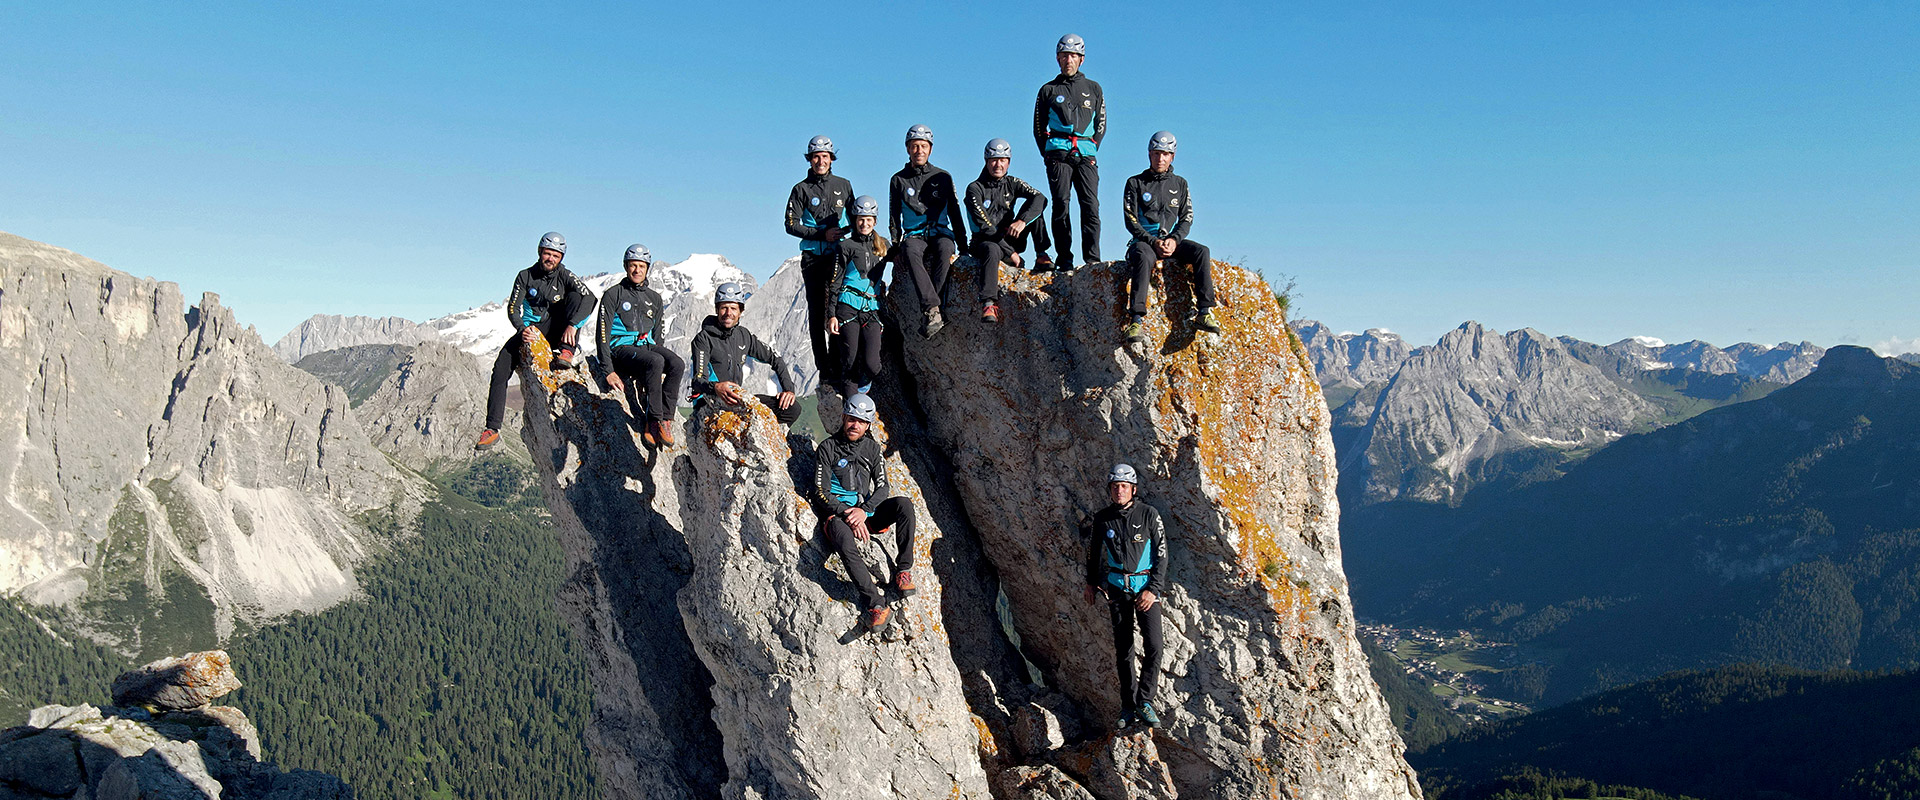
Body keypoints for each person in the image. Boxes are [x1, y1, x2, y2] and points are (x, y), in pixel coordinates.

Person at [478, 231, 596, 451]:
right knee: (501, 367)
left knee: (575, 297)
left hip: (559, 329)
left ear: (561, 258)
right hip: (532, 331)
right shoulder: (525, 276)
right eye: (547, 253)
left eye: (555, 255)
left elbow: (590, 297)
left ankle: (567, 351)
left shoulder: (566, 275)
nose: (550, 259)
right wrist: (522, 329)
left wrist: (573, 325)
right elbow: (513, 307)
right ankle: (492, 428)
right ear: (540, 252)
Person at [814, 393, 917, 629]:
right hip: (837, 515)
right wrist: (848, 514)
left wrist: (864, 510)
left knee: (904, 505)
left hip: (866, 513)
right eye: (851, 419)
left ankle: (903, 571)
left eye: (861, 421)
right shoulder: (827, 448)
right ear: (843, 417)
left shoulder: (872, 449)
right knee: (842, 537)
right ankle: (876, 604)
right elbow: (820, 491)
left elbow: (883, 487)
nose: (855, 425)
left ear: (868, 425)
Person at [1082, 463, 1167, 728]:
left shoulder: (1149, 514)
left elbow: (1162, 554)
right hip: (1118, 588)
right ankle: (1127, 706)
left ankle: (1145, 701)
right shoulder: (1103, 518)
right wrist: (1091, 584)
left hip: (1145, 589)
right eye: (1115, 487)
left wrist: (1153, 590)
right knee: (1124, 650)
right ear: (1110, 490)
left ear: (1133, 489)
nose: (1119, 491)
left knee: (1155, 646)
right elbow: (1094, 553)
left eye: (1124, 487)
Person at [1121, 131, 1220, 343]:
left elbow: (1187, 218)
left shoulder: (1180, 184)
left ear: (1172, 156)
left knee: (1202, 251)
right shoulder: (1135, 183)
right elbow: (1130, 220)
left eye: (1165, 154)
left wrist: (1174, 240)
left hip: (1171, 241)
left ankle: (1205, 312)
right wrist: (1152, 241)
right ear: (1149, 154)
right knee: (1142, 256)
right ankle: (1136, 320)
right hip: (1144, 242)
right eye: (1156, 153)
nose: (1160, 158)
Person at [595, 244, 684, 448]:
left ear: (647, 268)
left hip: (645, 347)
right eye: (633, 266)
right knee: (655, 360)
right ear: (626, 267)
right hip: (621, 349)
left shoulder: (654, 298)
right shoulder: (613, 294)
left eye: (641, 266)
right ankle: (652, 420)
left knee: (677, 364)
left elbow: (658, 335)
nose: (637, 270)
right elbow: (602, 333)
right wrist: (608, 370)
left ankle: (666, 420)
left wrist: (653, 370)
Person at [784, 135, 855, 381]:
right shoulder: (800, 189)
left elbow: (856, 219)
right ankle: (824, 370)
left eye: (824, 156)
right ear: (810, 159)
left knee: (837, 309)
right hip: (813, 258)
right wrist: (821, 234)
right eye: (816, 157)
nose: (820, 161)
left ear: (831, 159)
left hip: (838, 256)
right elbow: (790, 224)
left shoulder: (844, 185)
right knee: (816, 314)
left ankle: (839, 364)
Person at [889, 124, 969, 338]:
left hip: (940, 231)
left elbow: (954, 210)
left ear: (930, 149)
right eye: (915, 146)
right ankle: (933, 308)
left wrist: (964, 245)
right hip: (915, 234)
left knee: (945, 248)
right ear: (908, 149)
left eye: (923, 146)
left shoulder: (943, 176)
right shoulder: (898, 180)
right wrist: (896, 247)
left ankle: (932, 309)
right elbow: (894, 216)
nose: (919, 151)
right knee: (910, 251)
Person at [1033, 33, 1104, 271]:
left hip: (1085, 153)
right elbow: (1039, 126)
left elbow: (1101, 124)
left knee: (1090, 205)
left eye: (1073, 56)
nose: (1068, 61)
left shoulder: (1094, 88)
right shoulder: (1048, 90)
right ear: (1057, 58)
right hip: (1058, 154)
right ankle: (1065, 259)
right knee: (1061, 204)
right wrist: (1049, 153)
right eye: (1064, 56)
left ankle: (1092, 259)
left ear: (1081, 59)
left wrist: (1091, 147)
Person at [688, 282, 801, 426]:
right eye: (724, 308)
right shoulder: (703, 339)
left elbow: (775, 358)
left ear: (741, 311)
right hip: (710, 402)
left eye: (733, 308)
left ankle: (769, 444)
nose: (729, 313)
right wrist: (716, 387)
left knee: (791, 409)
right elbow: (697, 381)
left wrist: (788, 390)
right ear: (717, 309)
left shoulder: (743, 336)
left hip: (736, 400)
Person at [965, 138, 1049, 324]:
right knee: (992, 249)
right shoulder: (974, 189)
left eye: (1003, 160)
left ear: (1008, 162)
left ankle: (1042, 254)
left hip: (1008, 236)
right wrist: (1011, 253)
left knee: (1034, 211)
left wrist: (1022, 221)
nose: (998, 164)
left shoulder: (1012, 183)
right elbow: (985, 228)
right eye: (994, 160)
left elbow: (1040, 198)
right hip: (984, 242)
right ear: (986, 161)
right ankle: (988, 302)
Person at [829, 196, 889, 398]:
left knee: (873, 365)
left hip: (871, 308)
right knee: (850, 361)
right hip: (847, 307)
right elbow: (835, 281)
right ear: (854, 220)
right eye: (861, 219)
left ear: (875, 221)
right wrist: (831, 315)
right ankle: (851, 409)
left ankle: (863, 386)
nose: (864, 223)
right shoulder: (845, 246)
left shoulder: (883, 245)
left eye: (869, 219)